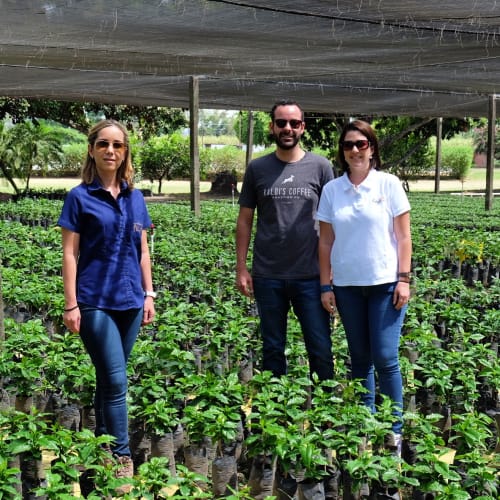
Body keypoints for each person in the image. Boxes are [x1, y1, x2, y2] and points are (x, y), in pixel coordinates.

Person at [58, 119, 156, 488]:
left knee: (106, 378)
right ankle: (122, 457)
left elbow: (142, 250)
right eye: (103, 144)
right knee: (116, 381)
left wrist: (149, 294)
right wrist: (71, 305)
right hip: (94, 301)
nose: (110, 151)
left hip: (130, 301)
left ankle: (101, 445)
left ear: (125, 151)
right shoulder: (79, 197)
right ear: (92, 150)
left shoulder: (135, 197)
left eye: (117, 145)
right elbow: (70, 254)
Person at [317, 119, 412, 453]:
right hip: (347, 286)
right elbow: (325, 243)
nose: (354, 150)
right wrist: (325, 285)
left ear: (372, 148)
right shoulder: (332, 190)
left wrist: (404, 279)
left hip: (385, 285)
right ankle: (364, 426)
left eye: (361, 144)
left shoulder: (388, 185)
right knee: (359, 359)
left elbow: (403, 236)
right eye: (348, 145)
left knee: (386, 358)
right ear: (342, 152)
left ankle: (393, 432)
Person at [236, 99, 334, 382]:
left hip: (312, 276)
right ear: (272, 127)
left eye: (294, 123)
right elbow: (244, 221)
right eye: (281, 123)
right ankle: (275, 415)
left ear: (302, 127)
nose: (287, 128)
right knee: (272, 349)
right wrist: (241, 268)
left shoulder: (321, 167)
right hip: (268, 276)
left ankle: (326, 415)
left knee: (321, 349)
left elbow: (333, 222)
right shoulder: (257, 168)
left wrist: (332, 272)